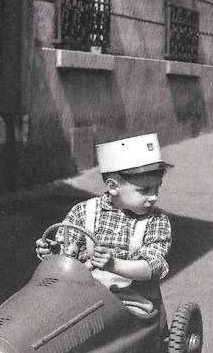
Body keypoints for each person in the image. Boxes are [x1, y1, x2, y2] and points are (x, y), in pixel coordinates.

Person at [36, 133, 173, 312]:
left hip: (131, 300)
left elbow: (152, 267)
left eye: (157, 187)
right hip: (81, 293)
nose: (154, 197)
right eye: (145, 190)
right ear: (113, 187)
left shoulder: (156, 221)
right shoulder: (84, 212)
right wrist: (53, 251)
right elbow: (66, 254)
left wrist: (113, 265)